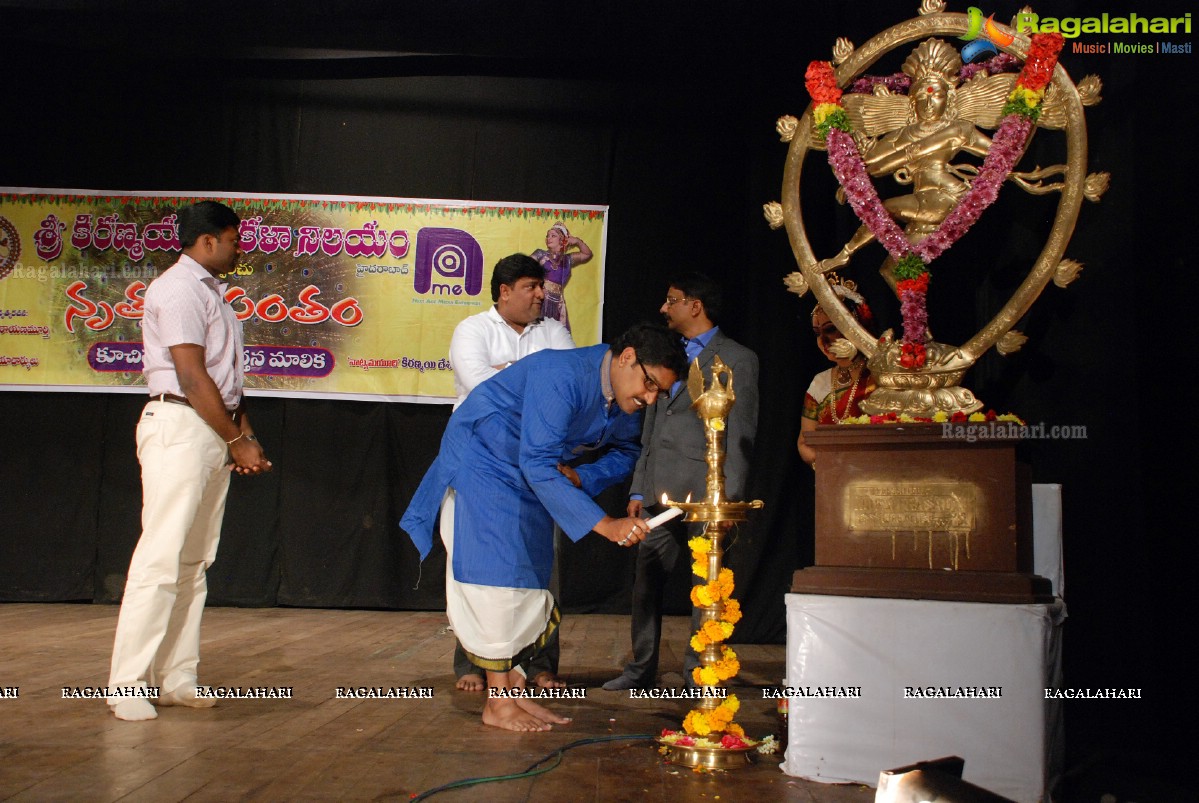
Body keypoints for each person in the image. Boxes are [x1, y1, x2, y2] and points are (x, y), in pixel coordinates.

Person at [400, 324, 686, 731]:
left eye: (660, 392)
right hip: (484, 462)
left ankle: (512, 693)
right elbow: (536, 462)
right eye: (650, 384)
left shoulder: (624, 398)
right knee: (496, 578)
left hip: (532, 473)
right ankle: (496, 704)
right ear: (627, 358)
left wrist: (582, 479)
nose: (650, 398)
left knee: (529, 579)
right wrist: (604, 524)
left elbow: (626, 450)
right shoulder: (563, 375)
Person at [107, 201, 272, 721]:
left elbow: (224, 380)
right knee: (160, 558)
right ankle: (126, 684)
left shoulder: (212, 294)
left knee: (193, 563)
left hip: (208, 430)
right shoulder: (177, 288)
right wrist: (233, 438)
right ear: (207, 241)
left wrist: (242, 434)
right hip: (180, 426)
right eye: (233, 240)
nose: (238, 249)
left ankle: (177, 677)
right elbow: (191, 376)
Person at [603, 273, 758, 691]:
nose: (663, 308)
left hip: (706, 494)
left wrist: (728, 498)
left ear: (696, 305)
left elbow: (741, 433)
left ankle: (699, 672)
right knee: (645, 584)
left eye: (672, 300)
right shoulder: (666, 353)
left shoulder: (738, 358)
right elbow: (650, 426)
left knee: (706, 586)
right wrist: (638, 487)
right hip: (659, 493)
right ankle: (640, 669)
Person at [446, 253, 575, 692]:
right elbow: (484, 389)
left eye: (541, 286)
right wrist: (533, 383)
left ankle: (540, 663)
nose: (541, 294)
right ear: (504, 292)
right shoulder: (473, 330)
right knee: (476, 560)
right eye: (530, 287)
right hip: (480, 464)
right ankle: (472, 663)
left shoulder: (554, 332)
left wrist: (510, 377)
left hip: (537, 463)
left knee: (540, 559)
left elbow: (567, 392)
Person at [798, 282, 877, 466]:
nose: (823, 341)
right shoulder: (820, 382)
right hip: (832, 477)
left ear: (856, 327)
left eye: (831, 329)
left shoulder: (880, 375)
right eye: (818, 333)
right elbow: (804, 443)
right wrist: (833, 466)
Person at [531, 221, 592, 332]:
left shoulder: (568, 259)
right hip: (542, 300)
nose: (549, 238)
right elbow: (524, 267)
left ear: (562, 240)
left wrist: (577, 241)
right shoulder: (540, 254)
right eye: (547, 236)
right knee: (539, 333)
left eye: (553, 236)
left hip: (558, 304)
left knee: (557, 337)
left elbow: (587, 254)